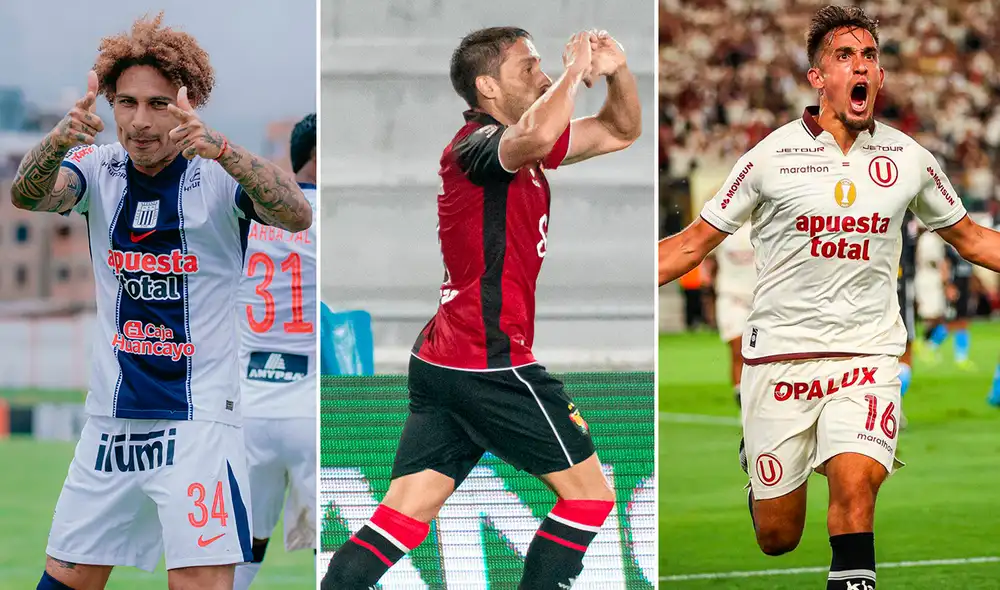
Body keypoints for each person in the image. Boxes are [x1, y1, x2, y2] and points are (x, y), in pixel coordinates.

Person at [657, 6, 1000, 589]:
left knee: (855, 490)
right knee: (778, 536)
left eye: (869, 56)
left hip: (867, 358)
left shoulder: (910, 159)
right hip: (780, 358)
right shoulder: (769, 158)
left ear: (880, 75)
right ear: (817, 77)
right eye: (845, 56)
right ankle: (758, 467)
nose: (860, 66)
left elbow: (971, 238)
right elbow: (691, 245)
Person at [322, 26, 640, 589]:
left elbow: (621, 130)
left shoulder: (523, 148)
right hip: (488, 361)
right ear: (487, 87)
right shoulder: (476, 146)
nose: (542, 76)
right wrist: (574, 71)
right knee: (589, 498)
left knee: (404, 514)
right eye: (528, 67)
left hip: (445, 361)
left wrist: (616, 72)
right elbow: (535, 135)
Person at [9, 14, 310, 590]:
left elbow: (296, 213)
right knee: (64, 580)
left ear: (186, 104)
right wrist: (57, 140)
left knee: (198, 583)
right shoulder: (98, 168)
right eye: (126, 103)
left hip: (199, 422)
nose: (140, 121)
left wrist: (224, 149)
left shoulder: (216, 174)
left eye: (158, 104)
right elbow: (29, 195)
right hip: (111, 420)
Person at [233, 114, 317, 589]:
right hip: (310, 402)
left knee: (241, 547)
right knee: (332, 548)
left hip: (247, 403)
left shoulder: (244, 215)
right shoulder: (326, 216)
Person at [708, 222, 756, 406]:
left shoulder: (763, 225)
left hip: (759, 297)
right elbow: (707, 257)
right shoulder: (721, 226)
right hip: (731, 296)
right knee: (738, 348)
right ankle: (740, 397)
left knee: (760, 351)